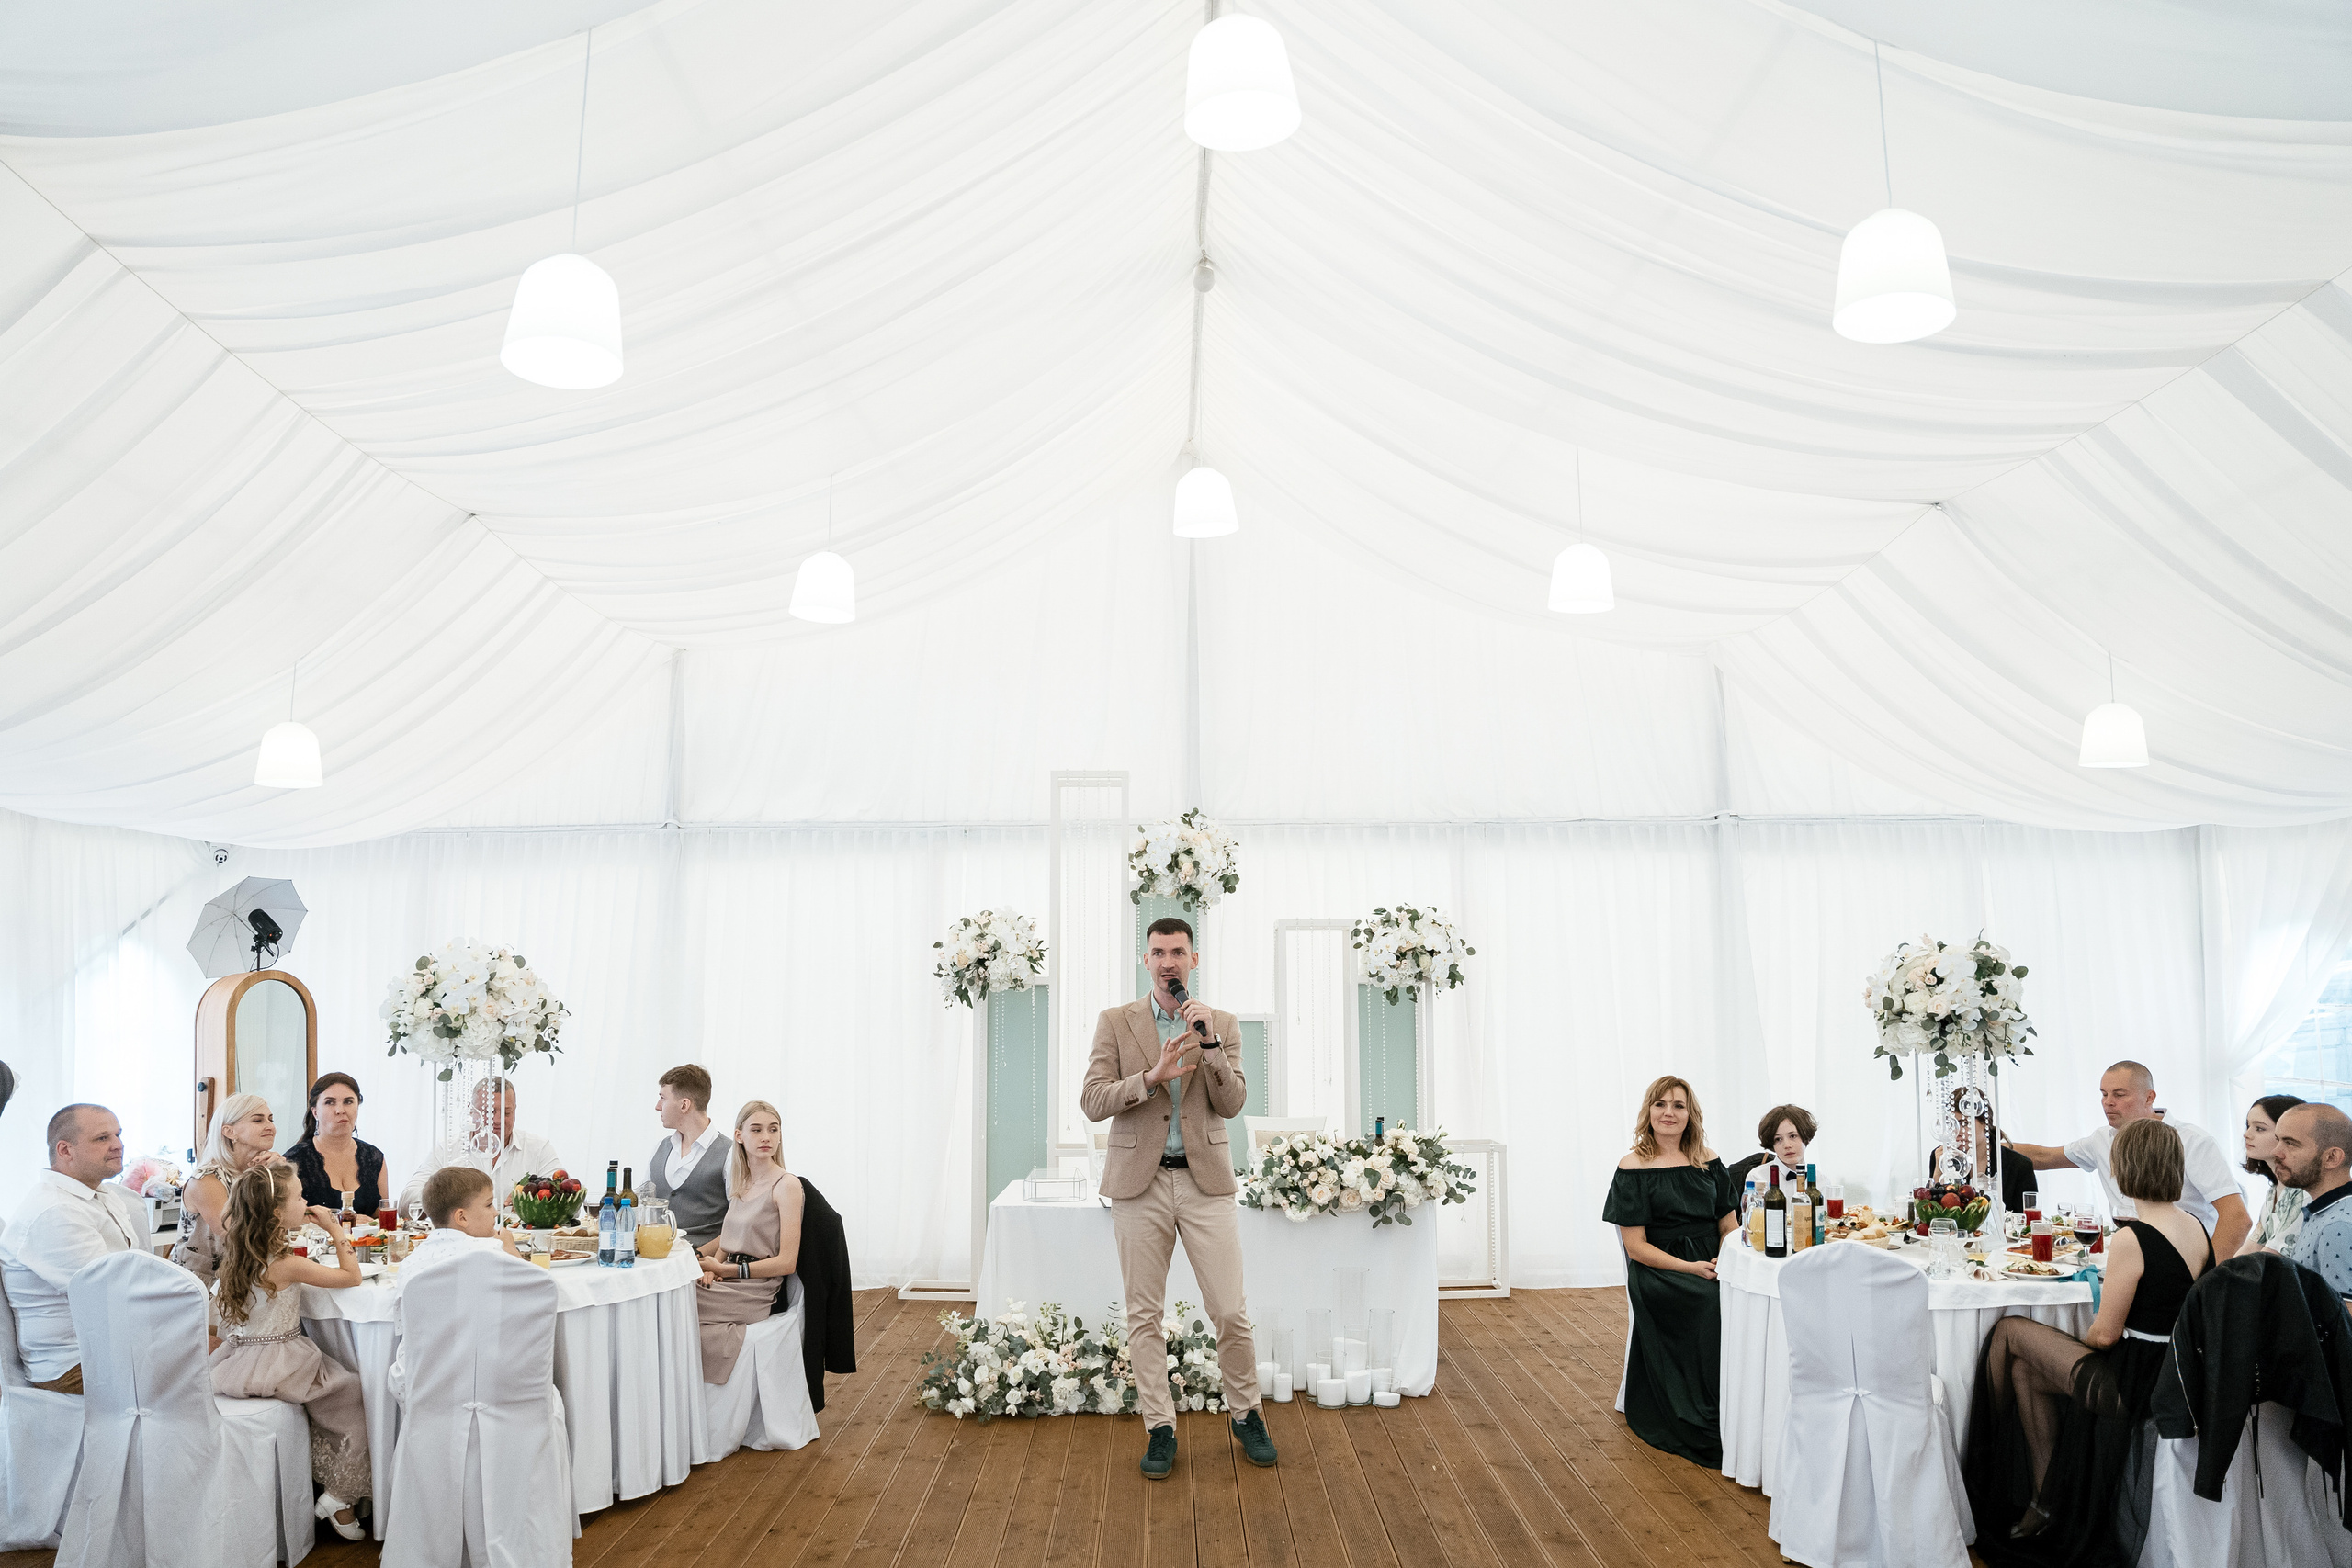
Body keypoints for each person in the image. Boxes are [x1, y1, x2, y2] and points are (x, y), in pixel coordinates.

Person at [1080, 916, 1275, 1480]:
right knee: (1144, 1315)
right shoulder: (1115, 1023)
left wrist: (1208, 1041)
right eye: (1159, 951)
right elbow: (1093, 1101)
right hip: (1139, 1185)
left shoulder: (1222, 1024)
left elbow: (1232, 1102)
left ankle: (1247, 1414)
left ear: (1194, 959)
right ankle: (1159, 1426)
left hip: (1204, 1181)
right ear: (1146, 961)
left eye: (1178, 952)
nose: (1169, 961)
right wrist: (1150, 1075)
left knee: (1231, 1312)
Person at [1966, 1117, 2212, 1562]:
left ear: (2122, 1170)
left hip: (2135, 1383)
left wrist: (2063, 1342)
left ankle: (1983, 1474)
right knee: (2024, 1369)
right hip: (2172, 1372)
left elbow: (2104, 1335)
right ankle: (2044, 1502)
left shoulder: (2131, 1237)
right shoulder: (2195, 1225)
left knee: (2008, 1333)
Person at [207, 1162, 371, 1539]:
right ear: (277, 1213)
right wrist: (333, 1228)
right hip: (281, 1360)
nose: (306, 1202)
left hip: (239, 1358)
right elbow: (352, 1277)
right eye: (299, 1197)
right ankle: (339, 1497)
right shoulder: (287, 1265)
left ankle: (334, 1497)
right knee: (355, 1397)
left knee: (332, 1406)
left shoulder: (239, 1256)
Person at [1604, 1075, 1736, 1467]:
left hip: (1711, 1260)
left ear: (1690, 1114)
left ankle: (1741, 1406)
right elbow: (1636, 1247)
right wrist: (1690, 1268)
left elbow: (1728, 1226)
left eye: (1678, 1106)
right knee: (1709, 1302)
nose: (1669, 1113)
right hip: (1660, 1268)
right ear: (1648, 1111)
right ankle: (1701, 1411)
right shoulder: (1632, 1165)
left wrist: (1727, 1260)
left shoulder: (1708, 1160)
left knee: (1752, 1296)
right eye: (1661, 1104)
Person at [2003, 1060, 2250, 1258]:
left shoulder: (2193, 1142)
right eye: (2104, 1094)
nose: (2108, 1103)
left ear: (2149, 1097)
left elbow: (2237, 1218)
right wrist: (1985, 1146)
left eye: (2119, 1095)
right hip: (2129, 1253)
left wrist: (2204, 1283)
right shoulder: (2102, 1139)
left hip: (2184, 1258)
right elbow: (2044, 1156)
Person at [0, 1104, 149, 1393]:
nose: (118, 1145)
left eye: (118, 1135)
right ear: (65, 1150)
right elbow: (114, 1294)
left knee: (234, 1344)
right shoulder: (54, 1211)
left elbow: (133, 1276)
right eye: (102, 1138)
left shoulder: (101, 1195)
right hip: (72, 1366)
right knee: (227, 1355)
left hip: (108, 1346)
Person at [386, 1165, 526, 1403]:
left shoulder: (411, 1263)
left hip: (421, 1383)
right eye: (489, 1204)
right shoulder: (494, 1252)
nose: (496, 1213)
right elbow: (532, 1290)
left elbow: (404, 1328)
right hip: (488, 1379)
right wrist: (511, 1249)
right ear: (462, 1217)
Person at [694, 1100, 803, 1383]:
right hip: (727, 1280)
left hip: (754, 1290)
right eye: (756, 1130)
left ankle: (682, 1391)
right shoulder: (743, 1184)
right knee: (670, 1295)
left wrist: (725, 1270)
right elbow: (728, 1240)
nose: (766, 1137)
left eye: (773, 1129)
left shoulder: (787, 1186)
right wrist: (712, 1266)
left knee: (673, 1301)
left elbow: (787, 1262)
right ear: (739, 1136)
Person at [395, 1077, 563, 1217]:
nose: (497, 1120)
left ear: (515, 1111)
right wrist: (450, 1199)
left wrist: (533, 1197)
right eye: (489, 1112)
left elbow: (571, 1204)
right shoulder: (447, 1149)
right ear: (471, 1111)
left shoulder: (538, 1148)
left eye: (506, 1113)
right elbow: (406, 1202)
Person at [172, 1093, 283, 1290]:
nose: (270, 1126)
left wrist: (279, 1174)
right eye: (258, 1120)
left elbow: (289, 1218)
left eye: (270, 1119)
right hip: (201, 1288)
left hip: (245, 1276)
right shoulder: (207, 1179)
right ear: (229, 1132)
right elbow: (238, 1236)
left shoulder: (256, 1172)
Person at [285, 1073, 395, 1219]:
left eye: (348, 1102)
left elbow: (382, 1219)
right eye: (330, 1102)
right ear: (315, 1112)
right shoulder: (293, 1161)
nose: (340, 1110)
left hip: (368, 1241)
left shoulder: (374, 1157)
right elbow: (287, 1221)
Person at [645, 1064, 731, 1249]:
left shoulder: (730, 1153)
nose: (657, 1106)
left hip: (703, 1265)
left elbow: (741, 1222)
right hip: (657, 1258)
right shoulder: (661, 1148)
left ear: (684, 1104)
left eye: (663, 1098)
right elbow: (642, 1205)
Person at [2273, 1101, 2352, 1301]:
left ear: (2332, 1157)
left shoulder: (2337, 1225)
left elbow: (2345, 1320)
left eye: (2290, 1143)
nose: (2276, 1152)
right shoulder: (2325, 1212)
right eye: (2278, 1140)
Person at [2240, 1092, 2308, 1256]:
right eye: (2248, 1126)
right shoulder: (2273, 1194)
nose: (2247, 1134)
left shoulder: (2303, 1193)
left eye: (2260, 1128)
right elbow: (2251, 1248)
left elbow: (2269, 1258)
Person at [1726, 1103, 1815, 1190]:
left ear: (1806, 1137)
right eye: (1778, 1139)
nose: (1787, 1145)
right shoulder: (1757, 1177)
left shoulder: (1822, 1181)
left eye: (1792, 1136)